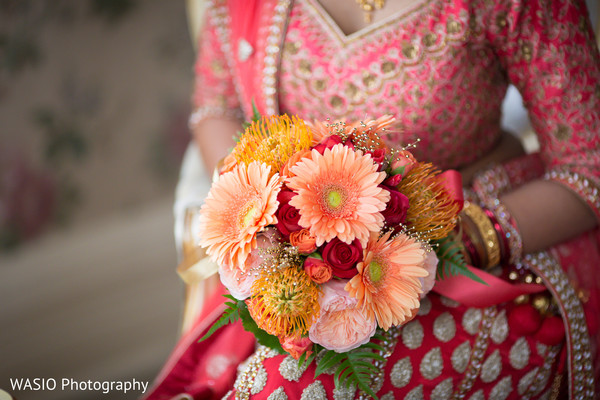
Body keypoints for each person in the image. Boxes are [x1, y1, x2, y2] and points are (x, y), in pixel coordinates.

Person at [144, 0, 600, 398]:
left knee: (286, 387)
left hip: (466, 252)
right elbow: (217, 106)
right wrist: (262, 209)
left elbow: (589, 167)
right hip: (294, 264)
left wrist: (458, 242)